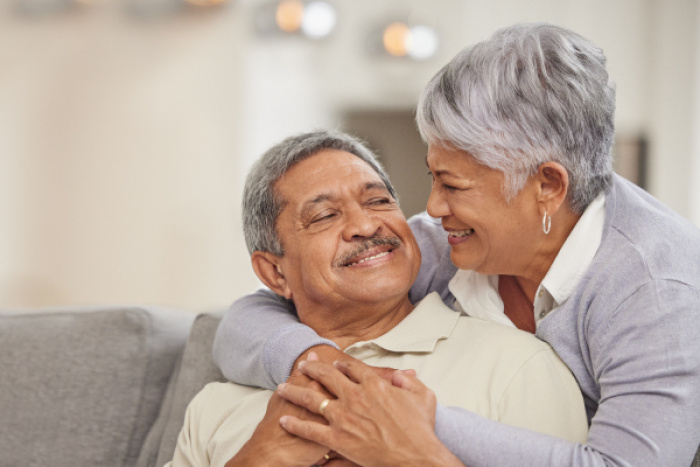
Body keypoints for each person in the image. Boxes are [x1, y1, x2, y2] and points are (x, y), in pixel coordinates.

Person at [213, 23, 700, 466]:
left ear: (548, 185)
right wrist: (325, 369)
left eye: (453, 185)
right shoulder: (449, 246)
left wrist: (397, 418)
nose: (433, 207)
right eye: (433, 177)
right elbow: (249, 317)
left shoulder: (660, 291)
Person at [167, 131, 587, 467]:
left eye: (378, 200)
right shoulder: (216, 406)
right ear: (275, 272)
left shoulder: (516, 366)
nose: (366, 225)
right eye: (325, 215)